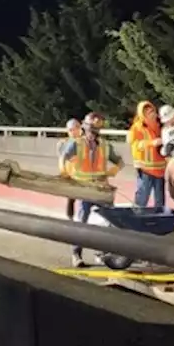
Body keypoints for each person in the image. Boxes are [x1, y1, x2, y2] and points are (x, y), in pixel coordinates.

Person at [59, 112, 124, 267]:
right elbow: (63, 156)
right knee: (82, 222)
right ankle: (76, 254)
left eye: (95, 130)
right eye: (91, 129)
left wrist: (114, 170)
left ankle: (103, 253)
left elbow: (119, 161)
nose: (92, 133)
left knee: (110, 221)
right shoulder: (76, 143)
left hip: (101, 188)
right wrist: (64, 172)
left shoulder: (105, 145)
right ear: (85, 128)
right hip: (84, 188)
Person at [127, 101, 166, 211]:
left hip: (160, 169)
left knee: (160, 200)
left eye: (152, 111)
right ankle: (136, 217)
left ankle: (159, 220)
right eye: (148, 112)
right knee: (142, 197)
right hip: (145, 169)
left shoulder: (161, 125)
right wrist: (151, 143)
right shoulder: (137, 127)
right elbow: (134, 145)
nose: (151, 114)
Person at [57, 118, 83, 220]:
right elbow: (63, 157)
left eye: (74, 129)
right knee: (71, 198)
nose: (72, 132)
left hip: (83, 174)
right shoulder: (64, 143)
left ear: (79, 129)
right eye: (70, 130)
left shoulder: (84, 141)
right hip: (71, 174)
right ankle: (70, 217)